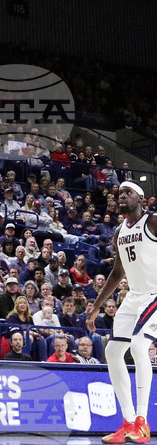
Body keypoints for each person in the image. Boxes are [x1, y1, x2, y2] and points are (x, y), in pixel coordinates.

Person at [87, 182, 156, 443]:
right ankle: (127, 423)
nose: (122, 196)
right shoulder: (119, 231)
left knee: (139, 345)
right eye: (119, 194)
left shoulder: (153, 222)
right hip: (135, 295)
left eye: (128, 192)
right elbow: (117, 273)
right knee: (113, 351)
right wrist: (95, 306)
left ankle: (142, 421)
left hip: (156, 292)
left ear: (141, 198)